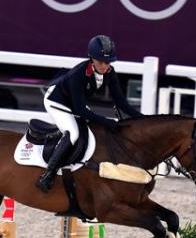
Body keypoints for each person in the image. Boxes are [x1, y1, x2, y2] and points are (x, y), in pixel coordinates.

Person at [36, 35, 142, 192]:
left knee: (97, 128)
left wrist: (143, 118)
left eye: (108, 62)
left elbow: (120, 102)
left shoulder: (110, 73)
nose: (105, 66)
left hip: (75, 103)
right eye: (101, 61)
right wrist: (107, 123)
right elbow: (80, 110)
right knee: (73, 133)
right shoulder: (78, 74)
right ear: (92, 58)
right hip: (57, 101)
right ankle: (47, 176)